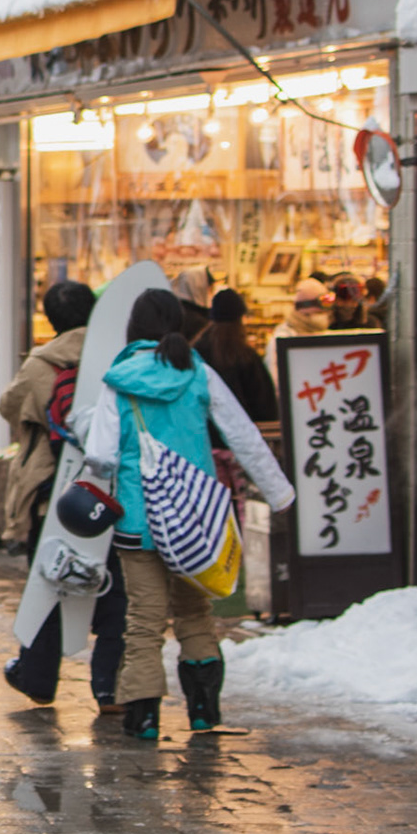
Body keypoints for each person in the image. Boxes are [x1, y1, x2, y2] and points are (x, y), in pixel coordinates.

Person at [80, 290, 294, 740]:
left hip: (138, 522)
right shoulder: (197, 372)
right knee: (196, 613)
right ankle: (202, 712)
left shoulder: (117, 380)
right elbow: (244, 436)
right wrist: (280, 495)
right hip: (196, 522)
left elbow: (100, 455)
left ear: (133, 328)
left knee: (144, 620)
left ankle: (145, 719)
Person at [0, 280, 127, 713]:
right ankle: (110, 685)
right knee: (112, 579)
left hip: (51, 485)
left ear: (50, 318)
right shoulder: (118, 354)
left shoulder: (41, 363)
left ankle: (37, 678)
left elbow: (10, 407)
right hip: (110, 487)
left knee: (50, 576)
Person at [198, 289, 278, 424]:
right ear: (240, 318)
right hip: (242, 433)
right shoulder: (246, 356)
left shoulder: (197, 351)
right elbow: (265, 405)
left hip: (205, 434)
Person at [265, 277, 331, 380]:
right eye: (322, 303)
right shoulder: (283, 338)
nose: (325, 310)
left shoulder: (321, 332)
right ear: (305, 306)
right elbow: (277, 381)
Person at [171, 266, 214, 344]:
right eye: (209, 288)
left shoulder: (173, 313)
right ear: (199, 286)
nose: (210, 293)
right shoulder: (197, 321)